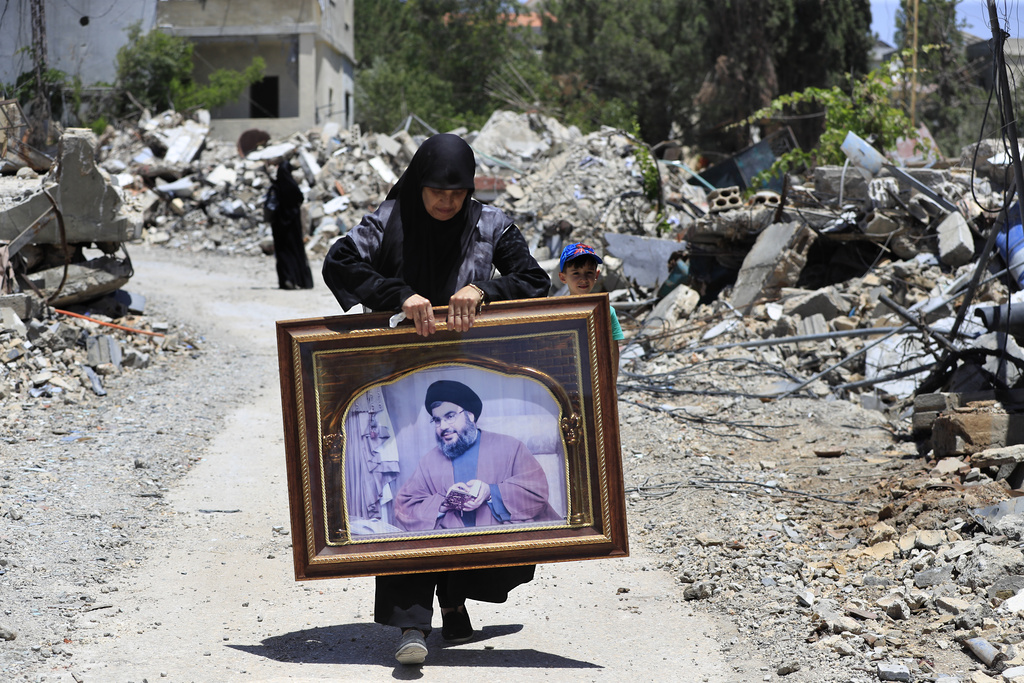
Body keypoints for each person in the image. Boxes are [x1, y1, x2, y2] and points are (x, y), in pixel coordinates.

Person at [321, 133, 550, 665]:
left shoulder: (490, 223)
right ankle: (411, 627)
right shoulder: (389, 217)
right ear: (418, 183)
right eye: (436, 192)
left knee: (470, 492)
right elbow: (341, 263)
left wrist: (485, 291)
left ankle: (454, 600)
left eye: (457, 194)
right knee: (416, 494)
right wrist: (398, 294)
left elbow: (533, 279)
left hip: (473, 365)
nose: (447, 203)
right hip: (403, 370)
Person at [395, 380, 560, 531]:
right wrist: (444, 503)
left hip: (504, 544)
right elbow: (404, 508)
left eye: (450, 416)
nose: (443, 426)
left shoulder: (509, 447)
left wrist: (491, 492)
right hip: (454, 550)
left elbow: (536, 492)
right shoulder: (429, 462)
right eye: (437, 420)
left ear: (470, 415)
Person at [558, 242, 624, 381]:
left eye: (589, 272)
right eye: (576, 273)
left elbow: (613, 351)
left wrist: (612, 384)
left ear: (597, 275)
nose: (583, 278)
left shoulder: (606, 311)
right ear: (563, 277)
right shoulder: (558, 313)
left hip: (597, 380)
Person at [266, 159, 314, 290]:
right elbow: (300, 198)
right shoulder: (292, 187)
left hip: (279, 227)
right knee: (295, 251)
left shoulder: (276, 187)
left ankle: (286, 279)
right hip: (293, 227)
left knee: (283, 253)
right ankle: (299, 280)